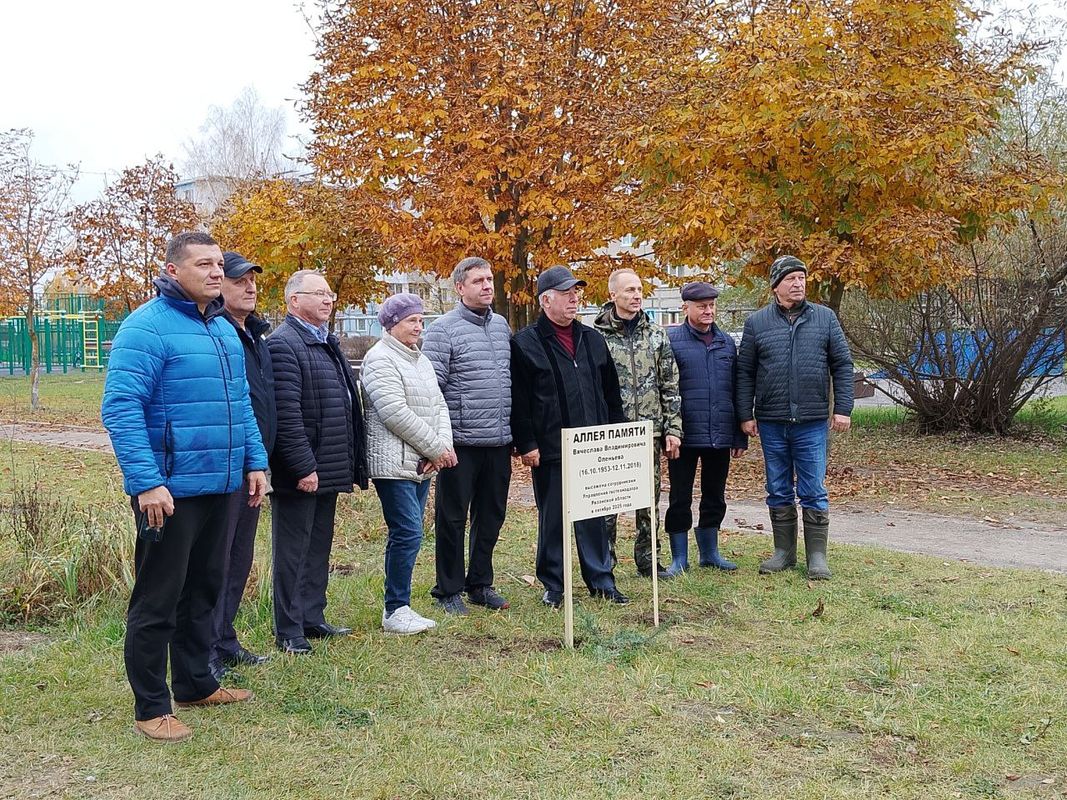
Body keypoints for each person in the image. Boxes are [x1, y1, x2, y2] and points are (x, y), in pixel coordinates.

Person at [102, 231, 267, 743]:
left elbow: (240, 403)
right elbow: (121, 408)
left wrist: (254, 462)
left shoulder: (222, 329)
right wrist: (147, 482)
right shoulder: (145, 328)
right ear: (173, 271)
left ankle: (196, 683)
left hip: (222, 483)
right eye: (204, 265)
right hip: (169, 491)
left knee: (204, 589)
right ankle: (151, 706)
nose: (216, 273)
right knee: (159, 598)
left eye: (219, 264)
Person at [510, 265, 628, 608]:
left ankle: (602, 581)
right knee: (554, 519)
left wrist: (617, 434)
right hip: (552, 449)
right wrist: (527, 443)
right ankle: (554, 585)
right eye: (566, 293)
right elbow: (520, 400)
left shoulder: (593, 339)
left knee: (594, 516)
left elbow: (611, 393)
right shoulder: (525, 343)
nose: (574, 299)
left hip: (594, 448)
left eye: (576, 292)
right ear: (545, 301)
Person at [735, 255, 854, 580]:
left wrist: (843, 408)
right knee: (777, 488)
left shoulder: (825, 318)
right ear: (776, 286)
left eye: (802, 278)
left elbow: (842, 364)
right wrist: (745, 414)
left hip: (812, 422)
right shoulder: (757, 322)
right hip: (771, 421)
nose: (798, 283)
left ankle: (817, 557)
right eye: (791, 279)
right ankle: (783, 553)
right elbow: (745, 372)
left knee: (813, 488)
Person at [268, 269, 368, 654]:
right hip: (303, 471)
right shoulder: (284, 344)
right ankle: (289, 629)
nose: (328, 300)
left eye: (330, 294)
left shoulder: (325, 341)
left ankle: (312, 617)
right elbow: (287, 415)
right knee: (293, 552)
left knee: (317, 546)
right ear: (294, 301)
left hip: (327, 465)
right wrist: (302, 467)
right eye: (319, 293)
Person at [361, 293, 456, 634]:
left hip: (422, 462)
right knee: (407, 532)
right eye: (411, 321)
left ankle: (401, 605)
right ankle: (395, 609)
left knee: (411, 533)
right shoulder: (380, 359)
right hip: (394, 464)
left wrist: (441, 447)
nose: (419, 327)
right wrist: (435, 448)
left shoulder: (420, 359)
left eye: (420, 320)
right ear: (391, 324)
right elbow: (394, 413)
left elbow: (439, 405)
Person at [423, 257, 512, 615]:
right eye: (478, 281)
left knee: (491, 516)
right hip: (459, 443)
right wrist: (438, 441)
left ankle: (480, 583)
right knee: (452, 518)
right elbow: (431, 389)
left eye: (489, 279)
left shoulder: (501, 325)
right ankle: (448, 589)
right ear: (460, 287)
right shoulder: (443, 330)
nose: (487, 286)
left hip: (498, 440)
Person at [208, 251, 277, 681]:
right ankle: (205, 649)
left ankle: (225, 638)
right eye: (239, 281)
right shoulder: (215, 333)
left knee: (239, 557)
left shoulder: (254, 335)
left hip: (253, 466)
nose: (250, 287)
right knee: (215, 561)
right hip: (222, 466)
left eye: (253, 280)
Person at [592, 268, 682, 579]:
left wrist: (673, 429)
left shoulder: (655, 335)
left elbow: (670, 384)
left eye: (639, 290)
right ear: (613, 295)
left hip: (648, 431)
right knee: (607, 503)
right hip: (611, 433)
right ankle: (604, 564)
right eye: (629, 290)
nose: (636, 295)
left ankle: (648, 560)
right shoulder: (596, 337)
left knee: (648, 500)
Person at [664, 281, 747, 575]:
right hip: (683, 435)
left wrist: (739, 435)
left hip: (720, 433)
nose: (708, 311)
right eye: (702, 306)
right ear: (686, 307)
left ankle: (710, 553)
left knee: (715, 495)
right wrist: (669, 431)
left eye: (712, 305)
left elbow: (736, 388)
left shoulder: (726, 342)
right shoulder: (672, 341)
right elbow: (666, 388)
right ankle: (679, 558)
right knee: (679, 497)